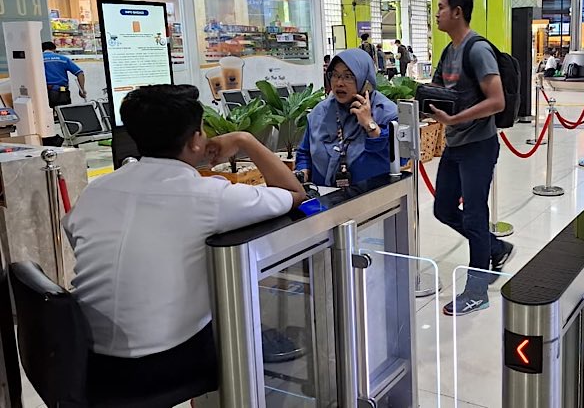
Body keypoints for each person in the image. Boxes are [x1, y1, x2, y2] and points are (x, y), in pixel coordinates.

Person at [63, 84, 304, 391]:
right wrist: (245, 140)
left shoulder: (96, 189)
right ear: (194, 140)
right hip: (163, 364)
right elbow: (294, 193)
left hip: (87, 361)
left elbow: (73, 234)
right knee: (249, 326)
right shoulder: (207, 195)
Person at [428, 0, 513, 317]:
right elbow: (438, 90)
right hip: (456, 143)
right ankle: (495, 247)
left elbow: (497, 100)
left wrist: (454, 118)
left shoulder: (477, 50)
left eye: (441, 7)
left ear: (457, 12)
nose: (437, 13)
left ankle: (477, 292)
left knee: (476, 215)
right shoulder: (448, 51)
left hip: (478, 145)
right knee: (443, 209)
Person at [295, 48, 398, 187]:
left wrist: (369, 124)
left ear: (365, 81)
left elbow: (399, 158)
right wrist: (302, 173)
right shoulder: (320, 112)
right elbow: (304, 153)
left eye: (348, 76)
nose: (339, 83)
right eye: (335, 75)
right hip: (324, 195)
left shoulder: (386, 112)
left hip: (372, 196)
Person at [42, 41, 86, 107]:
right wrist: (81, 90)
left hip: (44, 94)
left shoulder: (38, 60)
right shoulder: (63, 59)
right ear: (54, 49)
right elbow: (80, 73)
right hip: (62, 93)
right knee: (64, 112)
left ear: (42, 49)